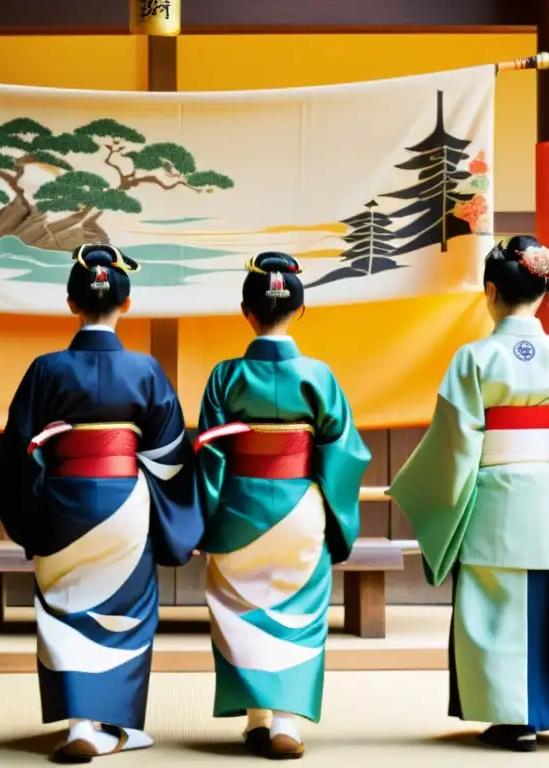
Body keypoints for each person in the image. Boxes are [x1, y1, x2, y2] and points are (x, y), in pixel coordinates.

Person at [0, 243, 203, 762]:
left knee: (63, 605)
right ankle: (113, 722)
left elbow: (16, 452)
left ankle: (80, 725)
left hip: (62, 498)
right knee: (127, 609)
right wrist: (178, 521)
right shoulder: (146, 370)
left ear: (70, 302)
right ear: (126, 304)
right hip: (127, 502)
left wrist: (34, 505)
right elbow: (170, 455)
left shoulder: (46, 369)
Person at [388, 235, 549, 753]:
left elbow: (455, 440)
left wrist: (427, 489)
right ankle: (544, 709)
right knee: (548, 597)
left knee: (490, 607)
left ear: (491, 291)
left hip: (491, 492)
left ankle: (507, 716)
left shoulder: (473, 358)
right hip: (548, 494)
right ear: (543, 291)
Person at [194, 252, 370, 760]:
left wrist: (202, 519)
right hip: (300, 507)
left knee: (237, 608)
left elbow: (211, 452)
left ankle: (254, 719)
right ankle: (286, 724)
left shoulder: (225, 376)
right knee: (300, 610)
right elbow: (345, 451)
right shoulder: (320, 375)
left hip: (238, 508)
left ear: (246, 311)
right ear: (301, 310)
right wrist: (334, 511)